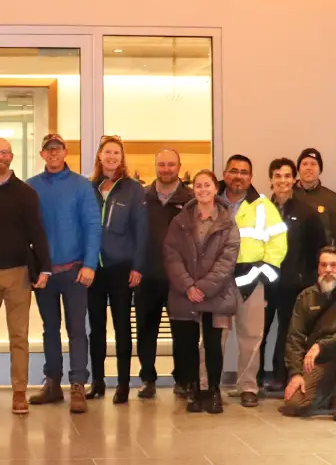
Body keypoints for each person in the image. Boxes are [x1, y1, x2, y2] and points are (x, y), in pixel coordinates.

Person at [0, 137, 50, 414]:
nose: (0, 157)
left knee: (19, 336)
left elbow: (37, 231)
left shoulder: (25, 192)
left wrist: (45, 267)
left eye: (4, 152)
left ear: (12, 157)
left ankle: (19, 392)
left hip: (18, 273)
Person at [27, 133, 101, 414]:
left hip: (74, 271)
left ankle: (78, 385)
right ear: (42, 155)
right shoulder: (31, 187)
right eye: (49, 150)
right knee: (49, 329)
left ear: (65, 152)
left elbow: (93, 226)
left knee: (77, 329)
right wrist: (34, 269)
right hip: (45, 274)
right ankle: (53, 383)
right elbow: (27, 232)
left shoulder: (82, 186)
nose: (53, 154)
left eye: (58, 149)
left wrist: (90, 264)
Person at [164, 169, 239, 414]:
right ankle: (194, 390)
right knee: (186, 344)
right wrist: (188, 286)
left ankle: (213, 391)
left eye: (207, 185)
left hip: (215, 295)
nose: (202, 190)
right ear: (193, 189)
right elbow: (171, 254)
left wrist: (203, 288)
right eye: (198, 186)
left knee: (213, 344)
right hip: (184, 294)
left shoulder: (228, 222)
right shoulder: (181, 220)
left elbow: (228, 260)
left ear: (215, 188)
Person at [217, 154, 287, 407]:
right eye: (234, 171)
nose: (238, 176)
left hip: (251, 279)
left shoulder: (263, 206)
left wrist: (263, 272)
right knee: (214, 338)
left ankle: (248, 386)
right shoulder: (210, 202)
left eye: (244, 172)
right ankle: (207, 385)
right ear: (225, 174)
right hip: (217, 281)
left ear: (251, 177)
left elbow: (278, 242)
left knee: (251, 336)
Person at [87, 135, 148, 404]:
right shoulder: (89, 187)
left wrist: (138, 266)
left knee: (122, 327)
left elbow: (142, 231)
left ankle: (123, 384)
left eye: (116, 153)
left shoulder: (133, 189)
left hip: (121, 267)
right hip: (93, 269)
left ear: (122, 158)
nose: (111, 157)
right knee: (96, 328)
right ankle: (98, 381)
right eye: (107, 152)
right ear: (99, 156)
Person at [259, 158, 327, 394]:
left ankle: (281, 375)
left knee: (288, 333)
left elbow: (319, 248)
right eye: (278, 176)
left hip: (294, 284)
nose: (283, 181)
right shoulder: (260, 210)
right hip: (264, 282)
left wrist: (308, 278)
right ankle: (255, 378)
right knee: (259, 331)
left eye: (287, 176)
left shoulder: (305, 212)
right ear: (270, 180)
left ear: (293, 179)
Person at [281, 247, 336, 422]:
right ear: (318, 268)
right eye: (324, 265)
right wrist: (296, 374)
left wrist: (321, 345)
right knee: (294, 405)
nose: (328, 270)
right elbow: (295, 338)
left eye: (334, 265)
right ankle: (329, 393)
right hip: (319, 363)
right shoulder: (305, 297)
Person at [136, 149, 192, 399]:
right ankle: (147, 378)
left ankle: (183, 380)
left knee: (182, 330)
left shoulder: (190, 199)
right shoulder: (143, 197)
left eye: (171, 164)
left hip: (179, 278)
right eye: (162, 164)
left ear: (179, 166)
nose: (166, 169)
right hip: (147, 276)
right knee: (146, 329)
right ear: (155, 166)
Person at [294, 148, 336, 257]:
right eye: (305, 164)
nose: (309, 167)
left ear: (320, 170)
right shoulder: (287, 195)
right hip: (291, 264)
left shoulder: (331, 199)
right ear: (298, 169)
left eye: (313, 164)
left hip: (321, 264)